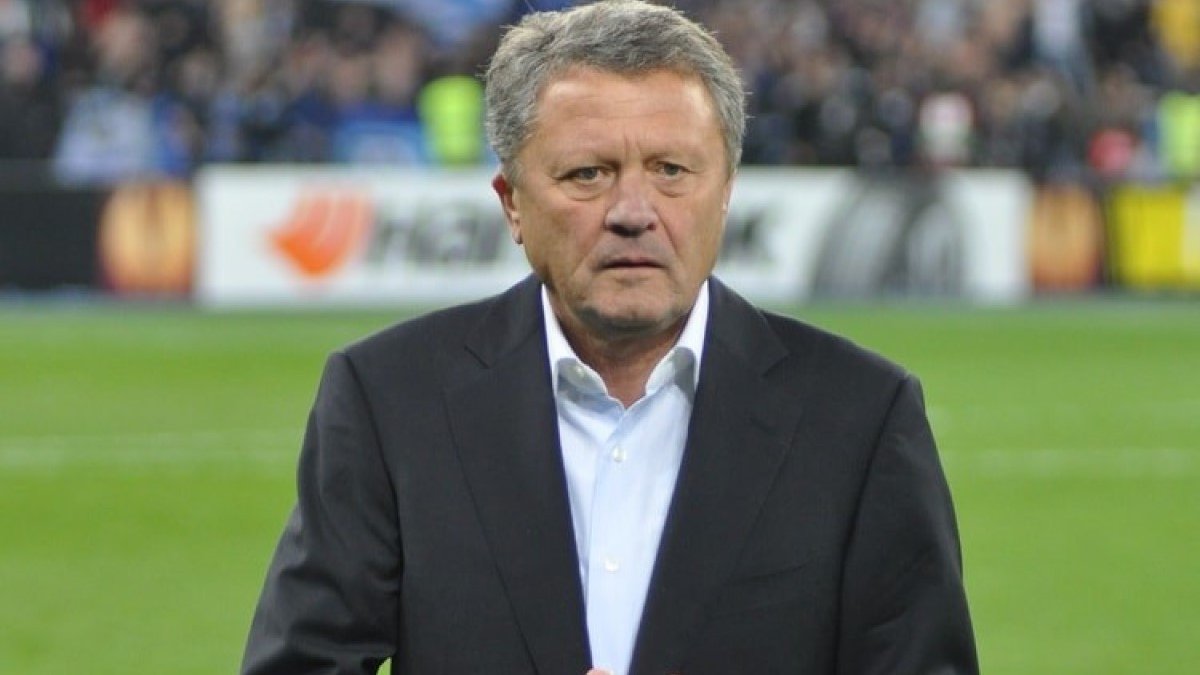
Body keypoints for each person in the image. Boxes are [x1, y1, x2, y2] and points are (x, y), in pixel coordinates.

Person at [240, 1, 978, 674]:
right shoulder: (389, 400)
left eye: (671, 170)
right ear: (512, 203)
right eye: (588, 174)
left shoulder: (861, 416)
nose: (632, 210)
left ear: (725, 193)